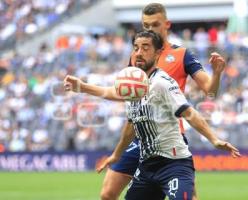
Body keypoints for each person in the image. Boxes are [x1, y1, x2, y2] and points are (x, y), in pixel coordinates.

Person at [64, 3, 226, 200]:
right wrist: (83, 86)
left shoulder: (182, 55)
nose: (149, 29)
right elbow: (125, 92)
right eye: (145, 25)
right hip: (140, 135)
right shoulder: (138, 56)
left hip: (169, 136)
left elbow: (210, 92)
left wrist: (216, 74)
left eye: (155, 24)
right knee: (107, 194)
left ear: (167, 24)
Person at [97, 30, 240, 200]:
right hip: (147, 167)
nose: (139, 53)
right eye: (136, 48)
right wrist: (116, 154)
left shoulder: (162, 82)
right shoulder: (133, 87)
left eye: (145, 48)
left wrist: (214, 139)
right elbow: (132, 125)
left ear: (158, 54)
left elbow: (189, 112)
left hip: (174, 165)